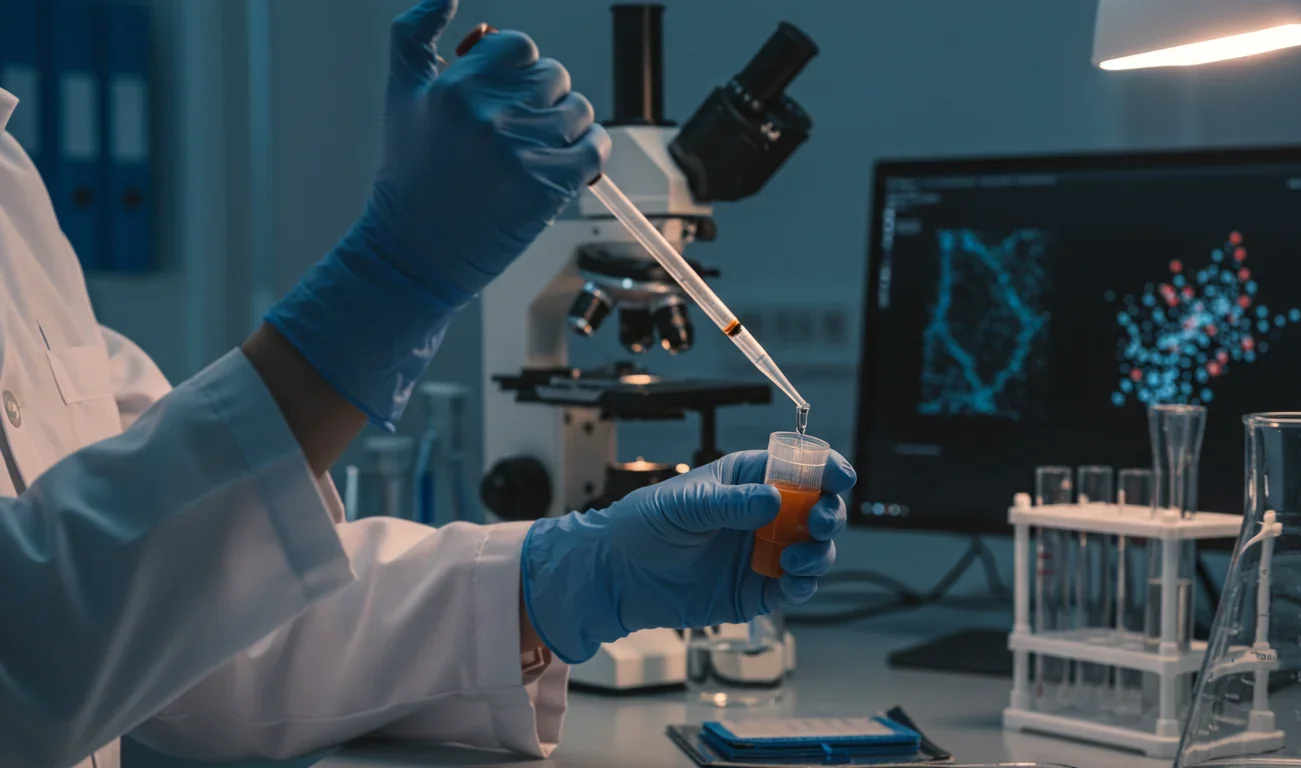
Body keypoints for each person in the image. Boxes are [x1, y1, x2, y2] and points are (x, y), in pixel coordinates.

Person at [0, 1, 853, 767]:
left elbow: (199, 628)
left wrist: (569, 580)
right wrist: (389, 277)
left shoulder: (14, 188)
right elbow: (27, 658)